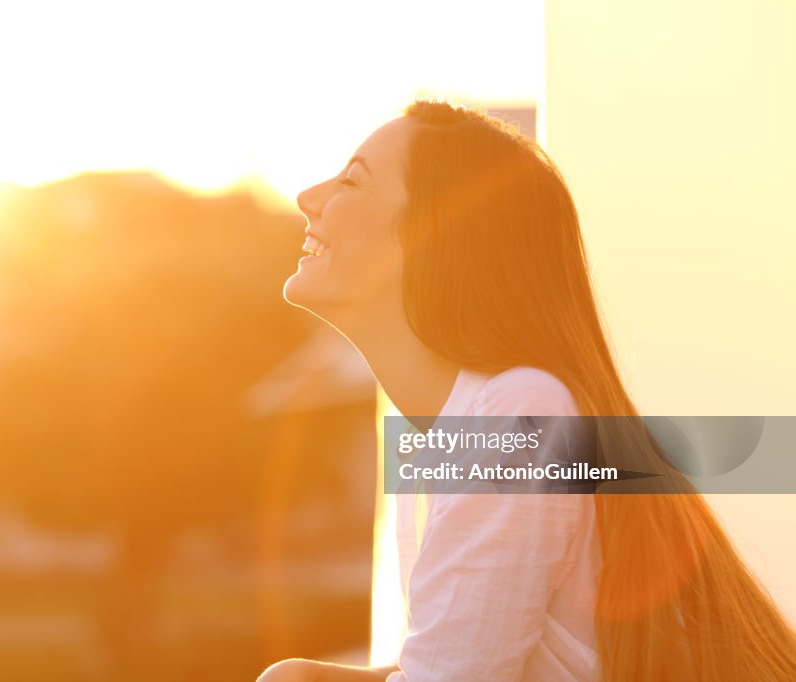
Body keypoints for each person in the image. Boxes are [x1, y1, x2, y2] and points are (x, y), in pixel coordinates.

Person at [257, 100, 796, 681]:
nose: (308, 196)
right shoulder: (456, 432)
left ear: (431, 235)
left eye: (351, 181)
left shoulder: (516, 417)